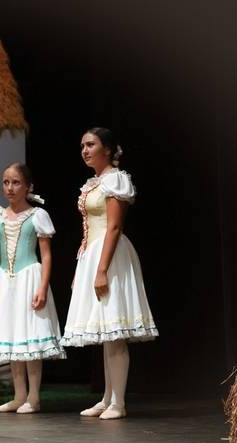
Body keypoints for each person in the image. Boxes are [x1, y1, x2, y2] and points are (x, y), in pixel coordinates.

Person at [61, 127, 158, 420]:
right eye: (82, 145)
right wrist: (82, 267)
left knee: (115, 332)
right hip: (93, 254)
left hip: (110, 256)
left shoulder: (116, 179)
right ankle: (107, 398)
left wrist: (102, 269)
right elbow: (88, 229)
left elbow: (114, 227)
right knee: (106, 333)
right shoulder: (95, 182)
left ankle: (118, 402)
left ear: (107, 149)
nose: (85, 150)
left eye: (91, 145)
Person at [0, 163, 65, 415]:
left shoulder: (37, 216)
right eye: (6, 182)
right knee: (13, 337)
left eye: (16, 182)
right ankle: (19, 395)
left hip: (29, 278)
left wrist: (42, 287)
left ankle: (34, 396)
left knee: (29, 337)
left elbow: (46, 254)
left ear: (28, 186)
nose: (10, 188)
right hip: (4, 281)